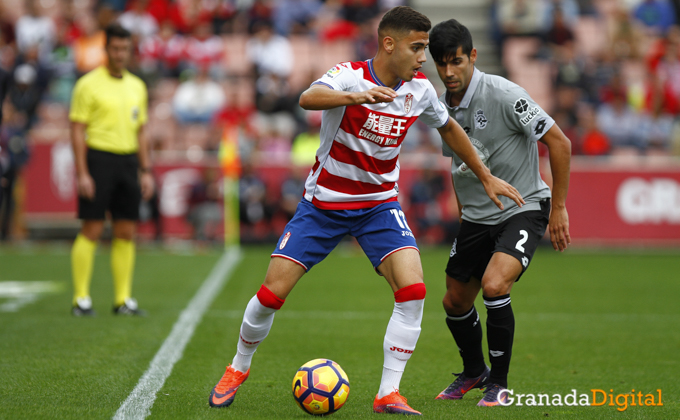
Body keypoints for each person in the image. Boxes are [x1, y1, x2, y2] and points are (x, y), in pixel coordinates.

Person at [207, 6, 523, 415]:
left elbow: (448, 128)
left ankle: (388, 393)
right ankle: (238, 367)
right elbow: (308, 98)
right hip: (322, 206)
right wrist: (355, 96)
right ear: (388, 44)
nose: (423, 57)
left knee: (413, 291)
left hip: (378, 207)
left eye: (424, 48)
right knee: (270, 295)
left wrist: (484, 175)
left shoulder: (420, 90)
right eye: (417, 47)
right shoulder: (349, 75)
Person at [428, 19, 571, 406]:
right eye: (441, 64)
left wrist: (557, 208)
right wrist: (462, 214)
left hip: (522, 207)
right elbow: (457, 164)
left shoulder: (507, 94)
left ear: (473, 56)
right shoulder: (443, 107)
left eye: (456, 62)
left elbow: (559, 142)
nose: (449, 72)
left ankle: (500, 384)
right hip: (476, 217)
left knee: (494, 285)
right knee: (454, 301)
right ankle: (474, 373)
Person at [69, 24, 154, 316]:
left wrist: (145, 170)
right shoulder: (88, 84)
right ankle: (81, 298)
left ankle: (123, 300)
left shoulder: (137, 86)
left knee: (126, 229)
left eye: (125, 49)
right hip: (98, 159)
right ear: (105, 50)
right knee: (92, 227)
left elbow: (141, 132)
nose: (120, 54)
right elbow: (77, 130)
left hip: (128, 161)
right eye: (115, 48)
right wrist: (82, 172)